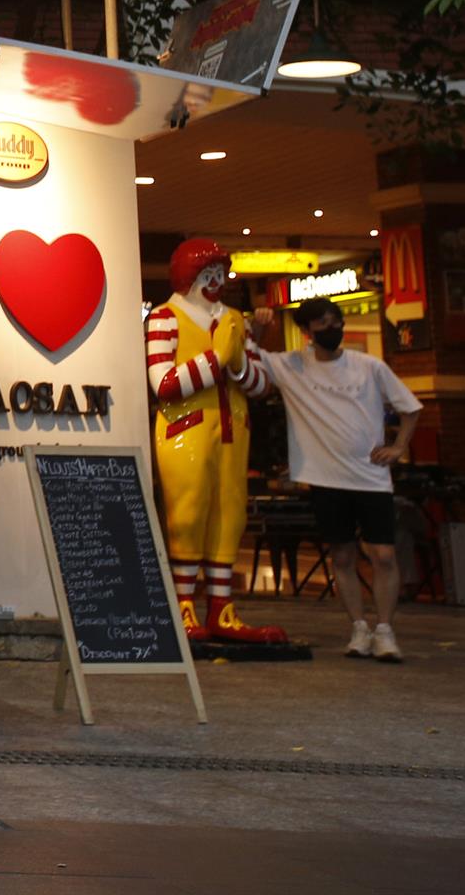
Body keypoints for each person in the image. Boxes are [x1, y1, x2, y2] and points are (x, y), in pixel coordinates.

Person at [255, 297, 421, 662]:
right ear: (306, 331)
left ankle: (385, 629)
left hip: (371, 477)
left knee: (384, 554)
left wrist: (398, 447)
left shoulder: (369, 366)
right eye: (322, 323)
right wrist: (259, 325)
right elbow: (248, 358)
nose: (331, 328)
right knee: (343, 556)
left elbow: (410, 408)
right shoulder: (292, 365)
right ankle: (359, 628)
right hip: (326, 478)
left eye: (336, 320)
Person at [144, 238, 284, 644]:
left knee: (230, 515)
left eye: (221, 275)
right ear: (187, 276)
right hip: (183, 431)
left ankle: (222, 608)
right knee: (187, 514)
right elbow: (164, 384)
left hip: (233, 432)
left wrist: (237, 361)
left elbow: (261, 385)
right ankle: (183, 605)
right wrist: (219, 357)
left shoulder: (235, 320)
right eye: (208, 274)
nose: (216, 282)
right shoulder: (164, 318)